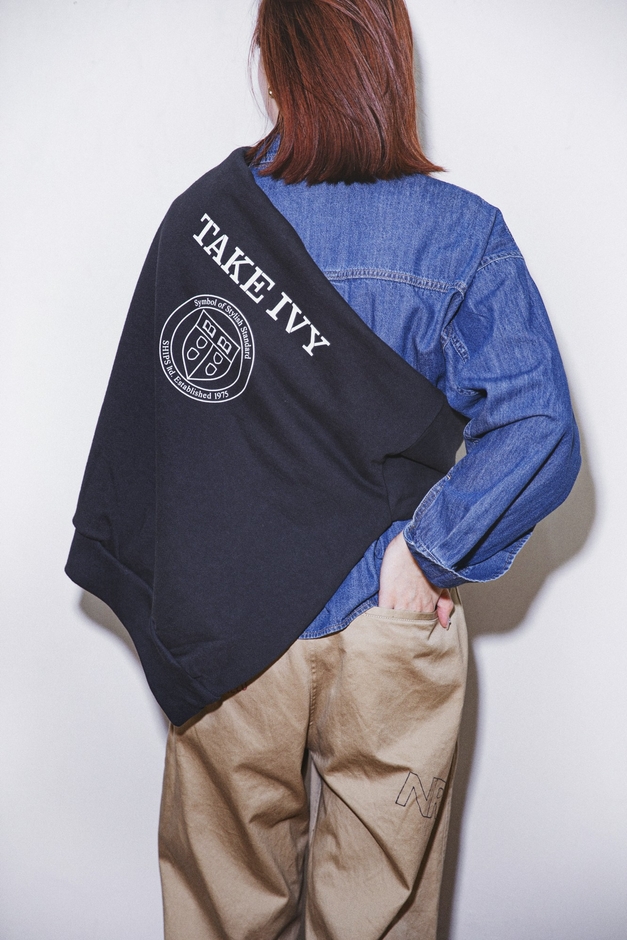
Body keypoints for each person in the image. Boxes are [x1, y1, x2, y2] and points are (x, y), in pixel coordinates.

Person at [66, 1, 580, 937]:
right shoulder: (460, 233)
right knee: (378, 918)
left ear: (272, 62)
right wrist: (427, 555)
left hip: (229, 632)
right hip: (391, 623)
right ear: (388, 65)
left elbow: (157, 436)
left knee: (221, 915)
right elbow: (537, 422)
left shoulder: (205, 221)